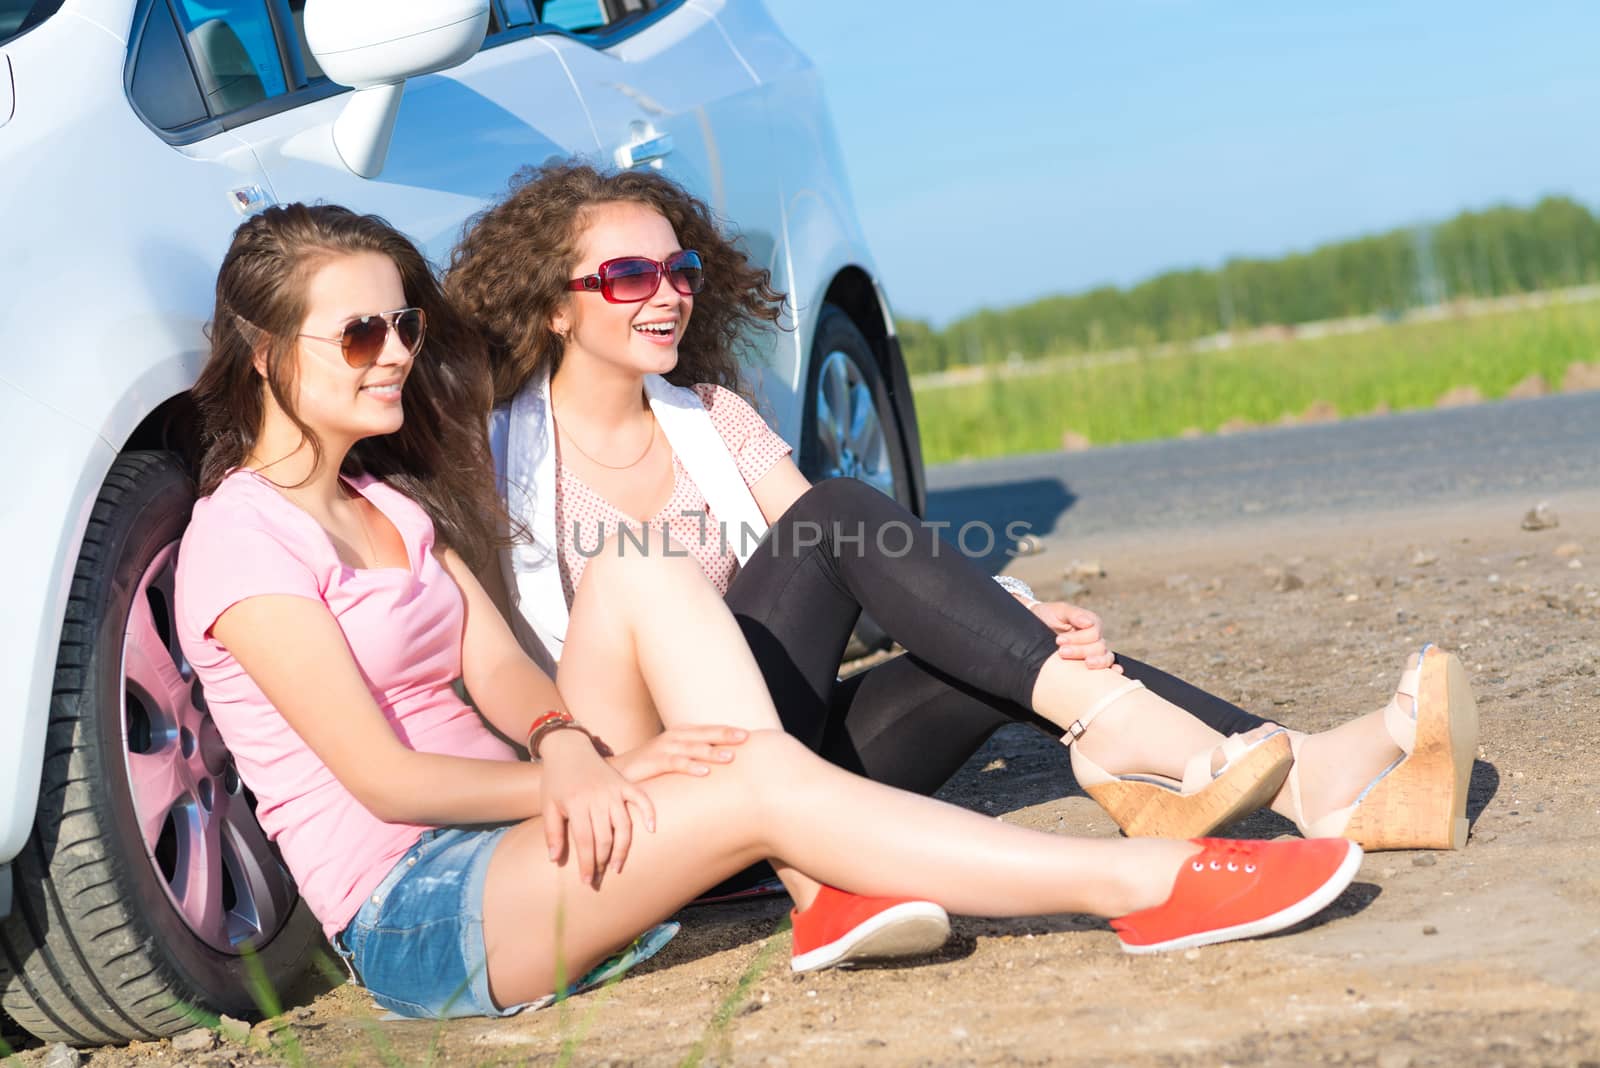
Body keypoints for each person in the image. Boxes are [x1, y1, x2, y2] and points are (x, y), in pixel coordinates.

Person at [174, 203, 1365, 1021]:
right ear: (268, 355)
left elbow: (515, 689)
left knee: (643, 572)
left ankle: (826, 878)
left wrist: (571, 744)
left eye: (406, 326)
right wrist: (584, 781)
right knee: (750, 774)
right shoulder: (242, 537)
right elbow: (385, 782)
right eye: (360, 333)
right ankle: (1145, 891)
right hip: (427, 911)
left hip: (536, 824)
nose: (393, 354)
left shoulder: (389, 507)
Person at [443, 161, 1479, 874]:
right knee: (847, 513)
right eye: (627, 274)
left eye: (680, 271)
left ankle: (1316, 784)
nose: (664, 294)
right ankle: (1152, 738)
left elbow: (867, 581)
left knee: (995, 650)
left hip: (775, 755)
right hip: (644, 790)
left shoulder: (713, 419)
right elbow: (493, 666)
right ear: (552, 303)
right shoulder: (489, 463)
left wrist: (1019, 617)